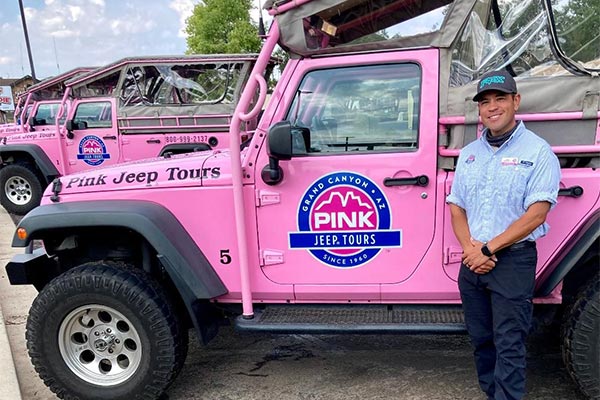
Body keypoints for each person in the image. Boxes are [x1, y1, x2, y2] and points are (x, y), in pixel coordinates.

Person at [446, 70, 561, 400]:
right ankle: (491, 394)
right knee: (482, 340)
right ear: (479, 109)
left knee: (509, 343)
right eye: (485, 102)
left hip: (513, 261)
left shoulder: (538, 152)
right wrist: (471, 249)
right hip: (473, 261)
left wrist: (488, 249)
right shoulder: (469, 154)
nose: (492, 107)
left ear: (516, 102)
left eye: (500, 99)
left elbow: (536, 214)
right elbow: (457, 207)